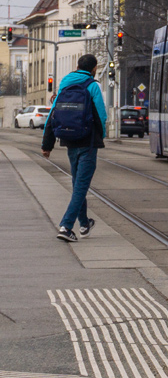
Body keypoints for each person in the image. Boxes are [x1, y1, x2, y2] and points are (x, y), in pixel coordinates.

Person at [40, 53, 107, 242]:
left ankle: (84, 224)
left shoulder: (65, 84)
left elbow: (52, 115)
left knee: (78, 184)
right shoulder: (92, 86)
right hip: (88, 143)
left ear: (77, 66)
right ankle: (66, 226)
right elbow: (101, 115)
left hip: (69, 140)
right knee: (81, 187)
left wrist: (47, 144)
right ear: (94, 69)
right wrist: (101, 136)